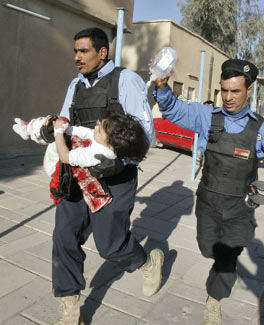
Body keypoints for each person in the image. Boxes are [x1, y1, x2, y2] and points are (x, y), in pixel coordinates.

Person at [14, 27, 164, 325]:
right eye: (75, 51)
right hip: (78, 173)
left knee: (110, 244)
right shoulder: (76, 85)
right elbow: (65, 122)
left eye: (83, 51)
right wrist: (48, 129)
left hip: (115, 176)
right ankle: (69, 308)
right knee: (64, 236)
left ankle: (147, 261)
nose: (77, 57)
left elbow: (146, 136)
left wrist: (119, 162)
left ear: (102, 52)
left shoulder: (127, 80)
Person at [152, 58, 264, 325]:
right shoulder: (207, 117)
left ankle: (214, 300)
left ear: (249, 90)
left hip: (240, 209)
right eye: (224, 90)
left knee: (227, 260)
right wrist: (162, 87)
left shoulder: (261, 131)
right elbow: (173, 110)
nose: (228, 98)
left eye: (235, 91)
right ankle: (218, 267)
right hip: (208, 202)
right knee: (208, 250)